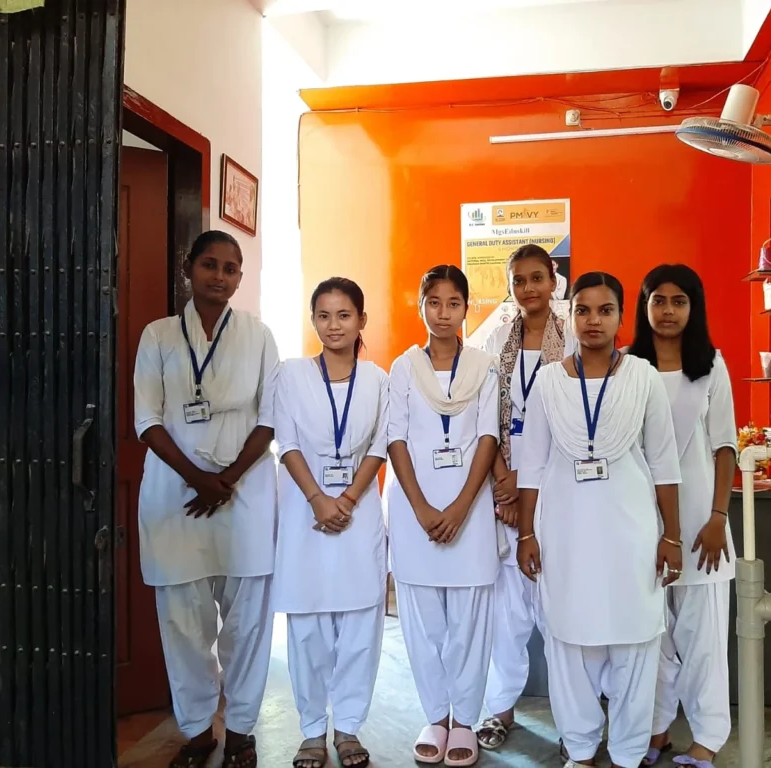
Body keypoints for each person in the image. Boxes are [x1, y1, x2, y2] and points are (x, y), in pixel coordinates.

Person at [515, 271, 683, 768]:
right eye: (583, 310)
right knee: (570, 640)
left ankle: (629, 753)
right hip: (565, 533)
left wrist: (672, 536)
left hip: (632, 532)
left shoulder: (643, 378)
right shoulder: (548, 382)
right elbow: (532, 464)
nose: (593, 320)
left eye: (605, 310)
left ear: (621, 317)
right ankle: (581, 750)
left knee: (635, 640)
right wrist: (526, 533)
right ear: (569, 316)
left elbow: (664, 463)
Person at [134, 230, 279, 768]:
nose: (220, 276)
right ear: (187, 268)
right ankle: (197, 731)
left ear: (239, 277)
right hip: (177, 494)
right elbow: (147, 419)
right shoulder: (158, 336)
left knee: (247, 622)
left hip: (245, 492)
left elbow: (270, 417)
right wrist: (197, 478)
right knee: (183, 621)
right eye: (209, 264)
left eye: (230, 268)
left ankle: (240, 730)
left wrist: (227, 479)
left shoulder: (259, 335)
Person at [385, 264, 500, 766]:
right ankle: (435, 716)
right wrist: (422, 507)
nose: (444, 313)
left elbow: (488, 437)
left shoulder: (484, 367)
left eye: (454, 303)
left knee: (470, 623)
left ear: (466, 309)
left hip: (468, 510)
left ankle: (466, 721)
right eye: (434, 302)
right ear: (421, 307)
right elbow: (395, 437)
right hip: (416, 510)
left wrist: (459, 507)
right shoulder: (403, 368)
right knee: (423, 620)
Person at [273, 278, 388, 768]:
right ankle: (312, 732)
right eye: (324, 315)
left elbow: (380, 445)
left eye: (344, 315)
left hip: (357, 514)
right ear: (313, 320)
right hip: (306, 514)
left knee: (360, 625)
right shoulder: (291, 375)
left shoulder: (378, 380)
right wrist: (319, 499)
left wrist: (348, 498)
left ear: (362, 320)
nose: (334, 325)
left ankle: (349, 729)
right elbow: (286, 442)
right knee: (308, 627)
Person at [625, 265, 737, 768]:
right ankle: (655, 730)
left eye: (679, 301)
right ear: (644, 306)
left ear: (694, 308)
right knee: (649, 636)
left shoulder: (712, 365)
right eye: (658, 300)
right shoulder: (627, 367)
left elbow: (725, 447)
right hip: (639, 521)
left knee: (702, 637)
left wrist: (718, 517)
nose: (668, 311)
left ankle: (707, 741)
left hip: (700, 525)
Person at [476, 245, 576, 751]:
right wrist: (505, 479)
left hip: (556, 487)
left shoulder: (573, 335)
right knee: (507, 614)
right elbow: (484, 416)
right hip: (505, 489)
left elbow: (580, 419)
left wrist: (526, 480)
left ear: (553, 281)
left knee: (560, 613)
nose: (529, 288)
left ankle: (573, 724)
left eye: (537, 277)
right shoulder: (497, 339)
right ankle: (500, 710)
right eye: (519, 280)